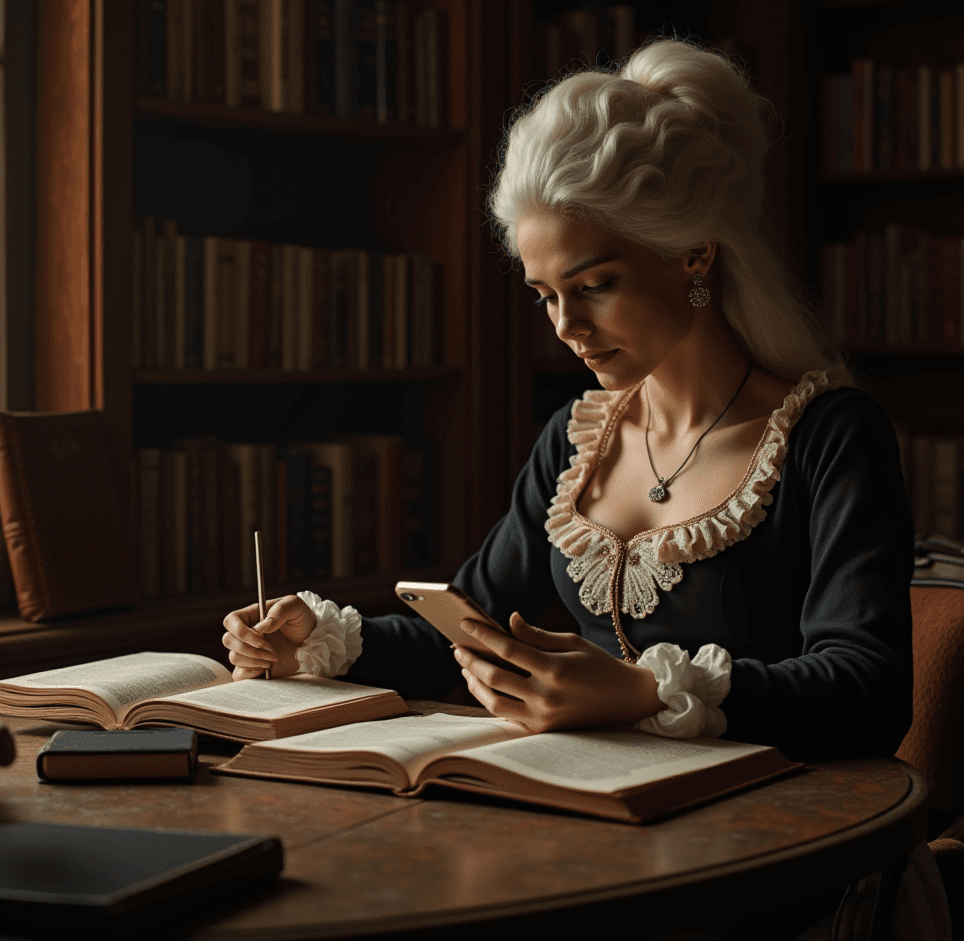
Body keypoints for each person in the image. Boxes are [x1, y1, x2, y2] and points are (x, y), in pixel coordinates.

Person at [221, 39, 914, 760]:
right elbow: (467, 625)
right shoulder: (578, 437)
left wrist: (642, 692)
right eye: (546, 295)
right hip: (591, 801)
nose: (566, 326)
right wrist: (319, 640)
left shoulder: (829, 435)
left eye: (595, 285)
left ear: (694, 254)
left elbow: (869, 692)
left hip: (777, 826)